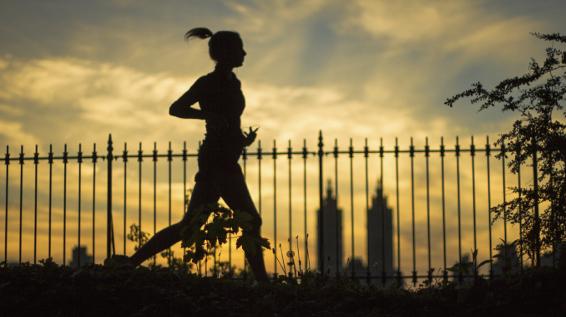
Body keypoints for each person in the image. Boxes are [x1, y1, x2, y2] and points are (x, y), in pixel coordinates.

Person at [106, 27, 268, 282]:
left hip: (226, 158)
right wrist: (208, 115)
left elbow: (230, 121)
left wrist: (242, 139)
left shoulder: (233, 82)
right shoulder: (208, 83)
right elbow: (176, 108)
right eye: (240, 48)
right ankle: (264, 284)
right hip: (217, 161)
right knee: (250, 221)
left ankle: (131, 262)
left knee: (190, 226)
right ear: (226, 52)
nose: (245, 53)